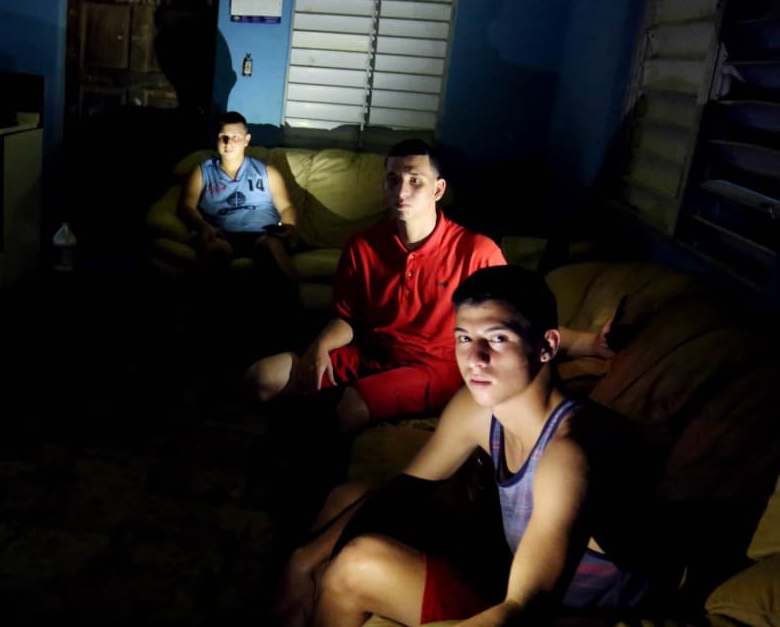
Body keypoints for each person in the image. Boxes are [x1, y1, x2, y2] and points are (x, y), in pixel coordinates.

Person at [274, 265, 656, 626]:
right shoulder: (477, 409)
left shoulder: (569, 453)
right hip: (506, 567)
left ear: (546, 346)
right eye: (464, 338)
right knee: (348, 499)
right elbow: (403, 493)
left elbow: (522, 607)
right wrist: (301, 562)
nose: (474, 359)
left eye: (497, 338)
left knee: (356, 567)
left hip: (573, 614)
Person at [244, 140, 611, 434]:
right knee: (263, 377)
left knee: (351, 406)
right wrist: (320, 346)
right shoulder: (363, 246)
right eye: (393, 180)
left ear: (438, 189)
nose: (402, 190)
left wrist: (589, 343)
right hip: (374, 352)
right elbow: (349, 318)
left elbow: (520, 324)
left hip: (435, 365)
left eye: (415, 180)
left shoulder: (476, 250)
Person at [178, 111, 299, 283]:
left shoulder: (267, 172)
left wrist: (288, 226)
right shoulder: (202, 171)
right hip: (221, 234)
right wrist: (203, 227)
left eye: (235, 136)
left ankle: (293, 304)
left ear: (247, 139)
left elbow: (286, 207)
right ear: (217, 138)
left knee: (271, 247)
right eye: (223, 136)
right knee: (214, 251)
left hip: (262, 234)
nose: (228, 142)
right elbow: (186, 205)